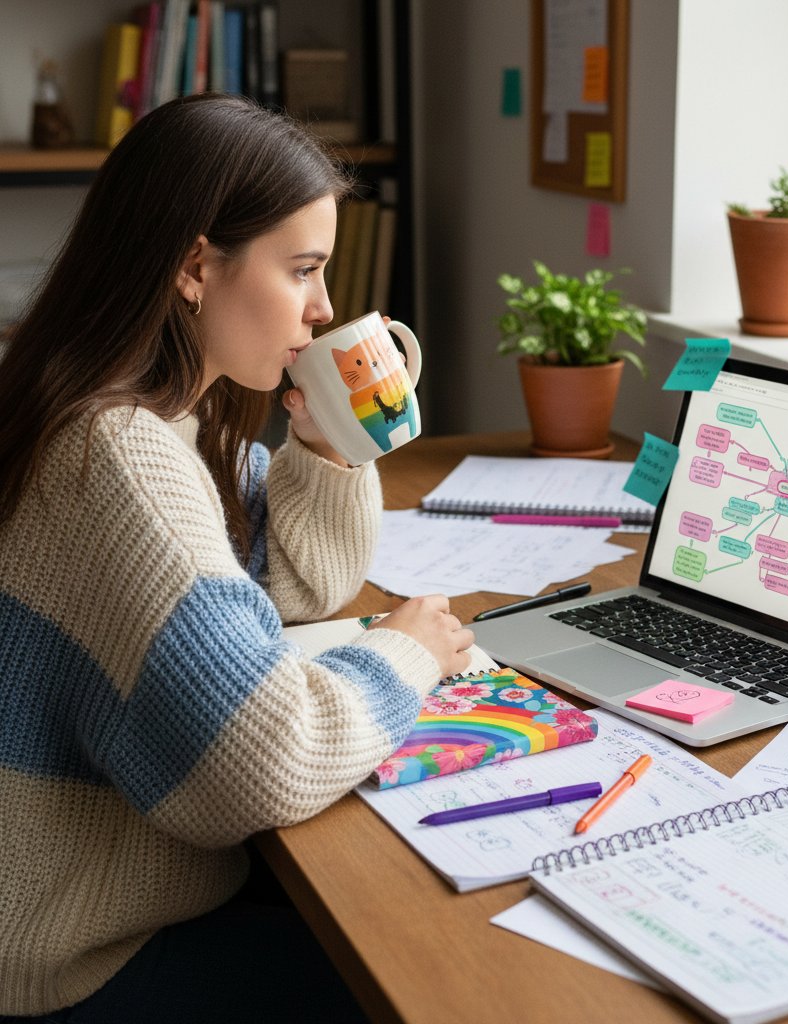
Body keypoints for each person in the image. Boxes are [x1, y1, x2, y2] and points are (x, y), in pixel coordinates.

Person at [0, 93, 474, 1022]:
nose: (326, 308)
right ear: (193, 267)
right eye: (302, 270)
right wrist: (407, 651)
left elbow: (289, 586)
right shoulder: (120, 454)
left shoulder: (144, 412)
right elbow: (258, 762)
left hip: (80, 911)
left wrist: (336, 447)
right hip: (75, 958)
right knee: (429, 977)